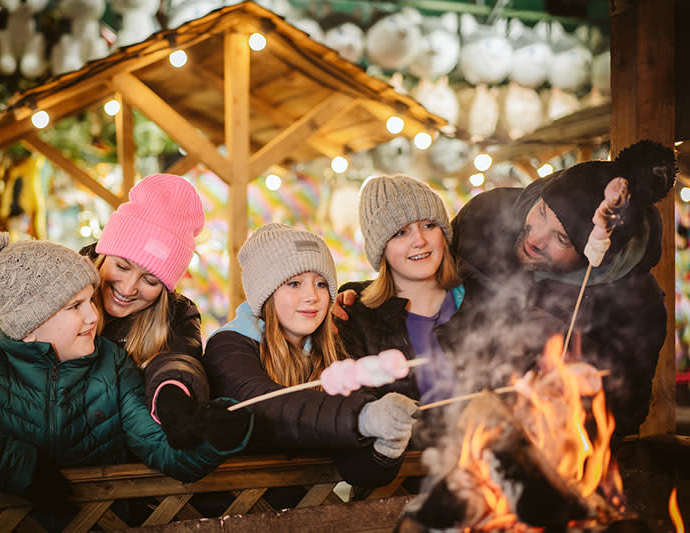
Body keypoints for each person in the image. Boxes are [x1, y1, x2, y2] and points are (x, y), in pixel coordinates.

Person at [0, 232, 252, 525]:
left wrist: (214, 435)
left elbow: (162, 450)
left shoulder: (112, 365)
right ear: (28, 326)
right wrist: (11, 462)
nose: (94, 316)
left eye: (89, 301)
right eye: (75, 307)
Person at [338, 140, 674, 450]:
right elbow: (424, 267)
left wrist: (556, 408)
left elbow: (624, 410)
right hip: (449, 436)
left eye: (561, 239)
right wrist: (365, 298)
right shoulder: (486, 216)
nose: (535, 237)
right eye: (541, 212)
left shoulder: (635, 307)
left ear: (596, 256)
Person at [0, 174, 213, 448]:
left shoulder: (176, 316)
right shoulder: (47, 275)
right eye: (121, 265)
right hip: (14, 446)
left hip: (104, 462)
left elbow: (177, 362)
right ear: (105, 252)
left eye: (150, 280)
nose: (128, 288)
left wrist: (172, 394)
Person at [203, 223, 419, 493]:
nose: (312, 297)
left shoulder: (331, 352)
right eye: (294, 283)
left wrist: (387, 445)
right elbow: (266, 407)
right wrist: (362, 417)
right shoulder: (228, 346)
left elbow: (356, 469)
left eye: (321, 284)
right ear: (265, 293)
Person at [334, 174, 464, 416]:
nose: (420, 241)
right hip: (405, 453)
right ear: (380, 248)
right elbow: (353, 412)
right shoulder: (357, 315)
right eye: (400, 233)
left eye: (429, 225)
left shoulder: (473, 300)